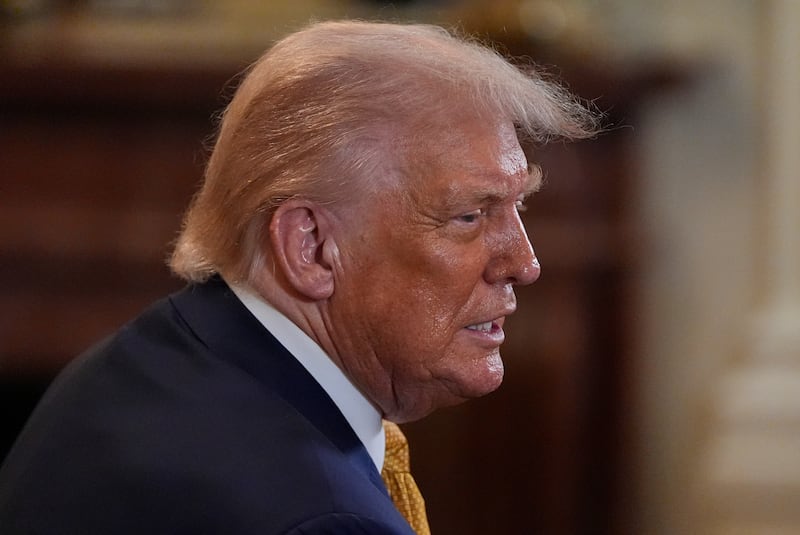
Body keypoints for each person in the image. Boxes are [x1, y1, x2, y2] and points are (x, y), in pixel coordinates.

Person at [0, 20, 598, 534]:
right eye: (469, 216)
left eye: (519, 207)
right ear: (309, 247)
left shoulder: (145, 359)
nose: (524, 262)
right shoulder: (321, 518)